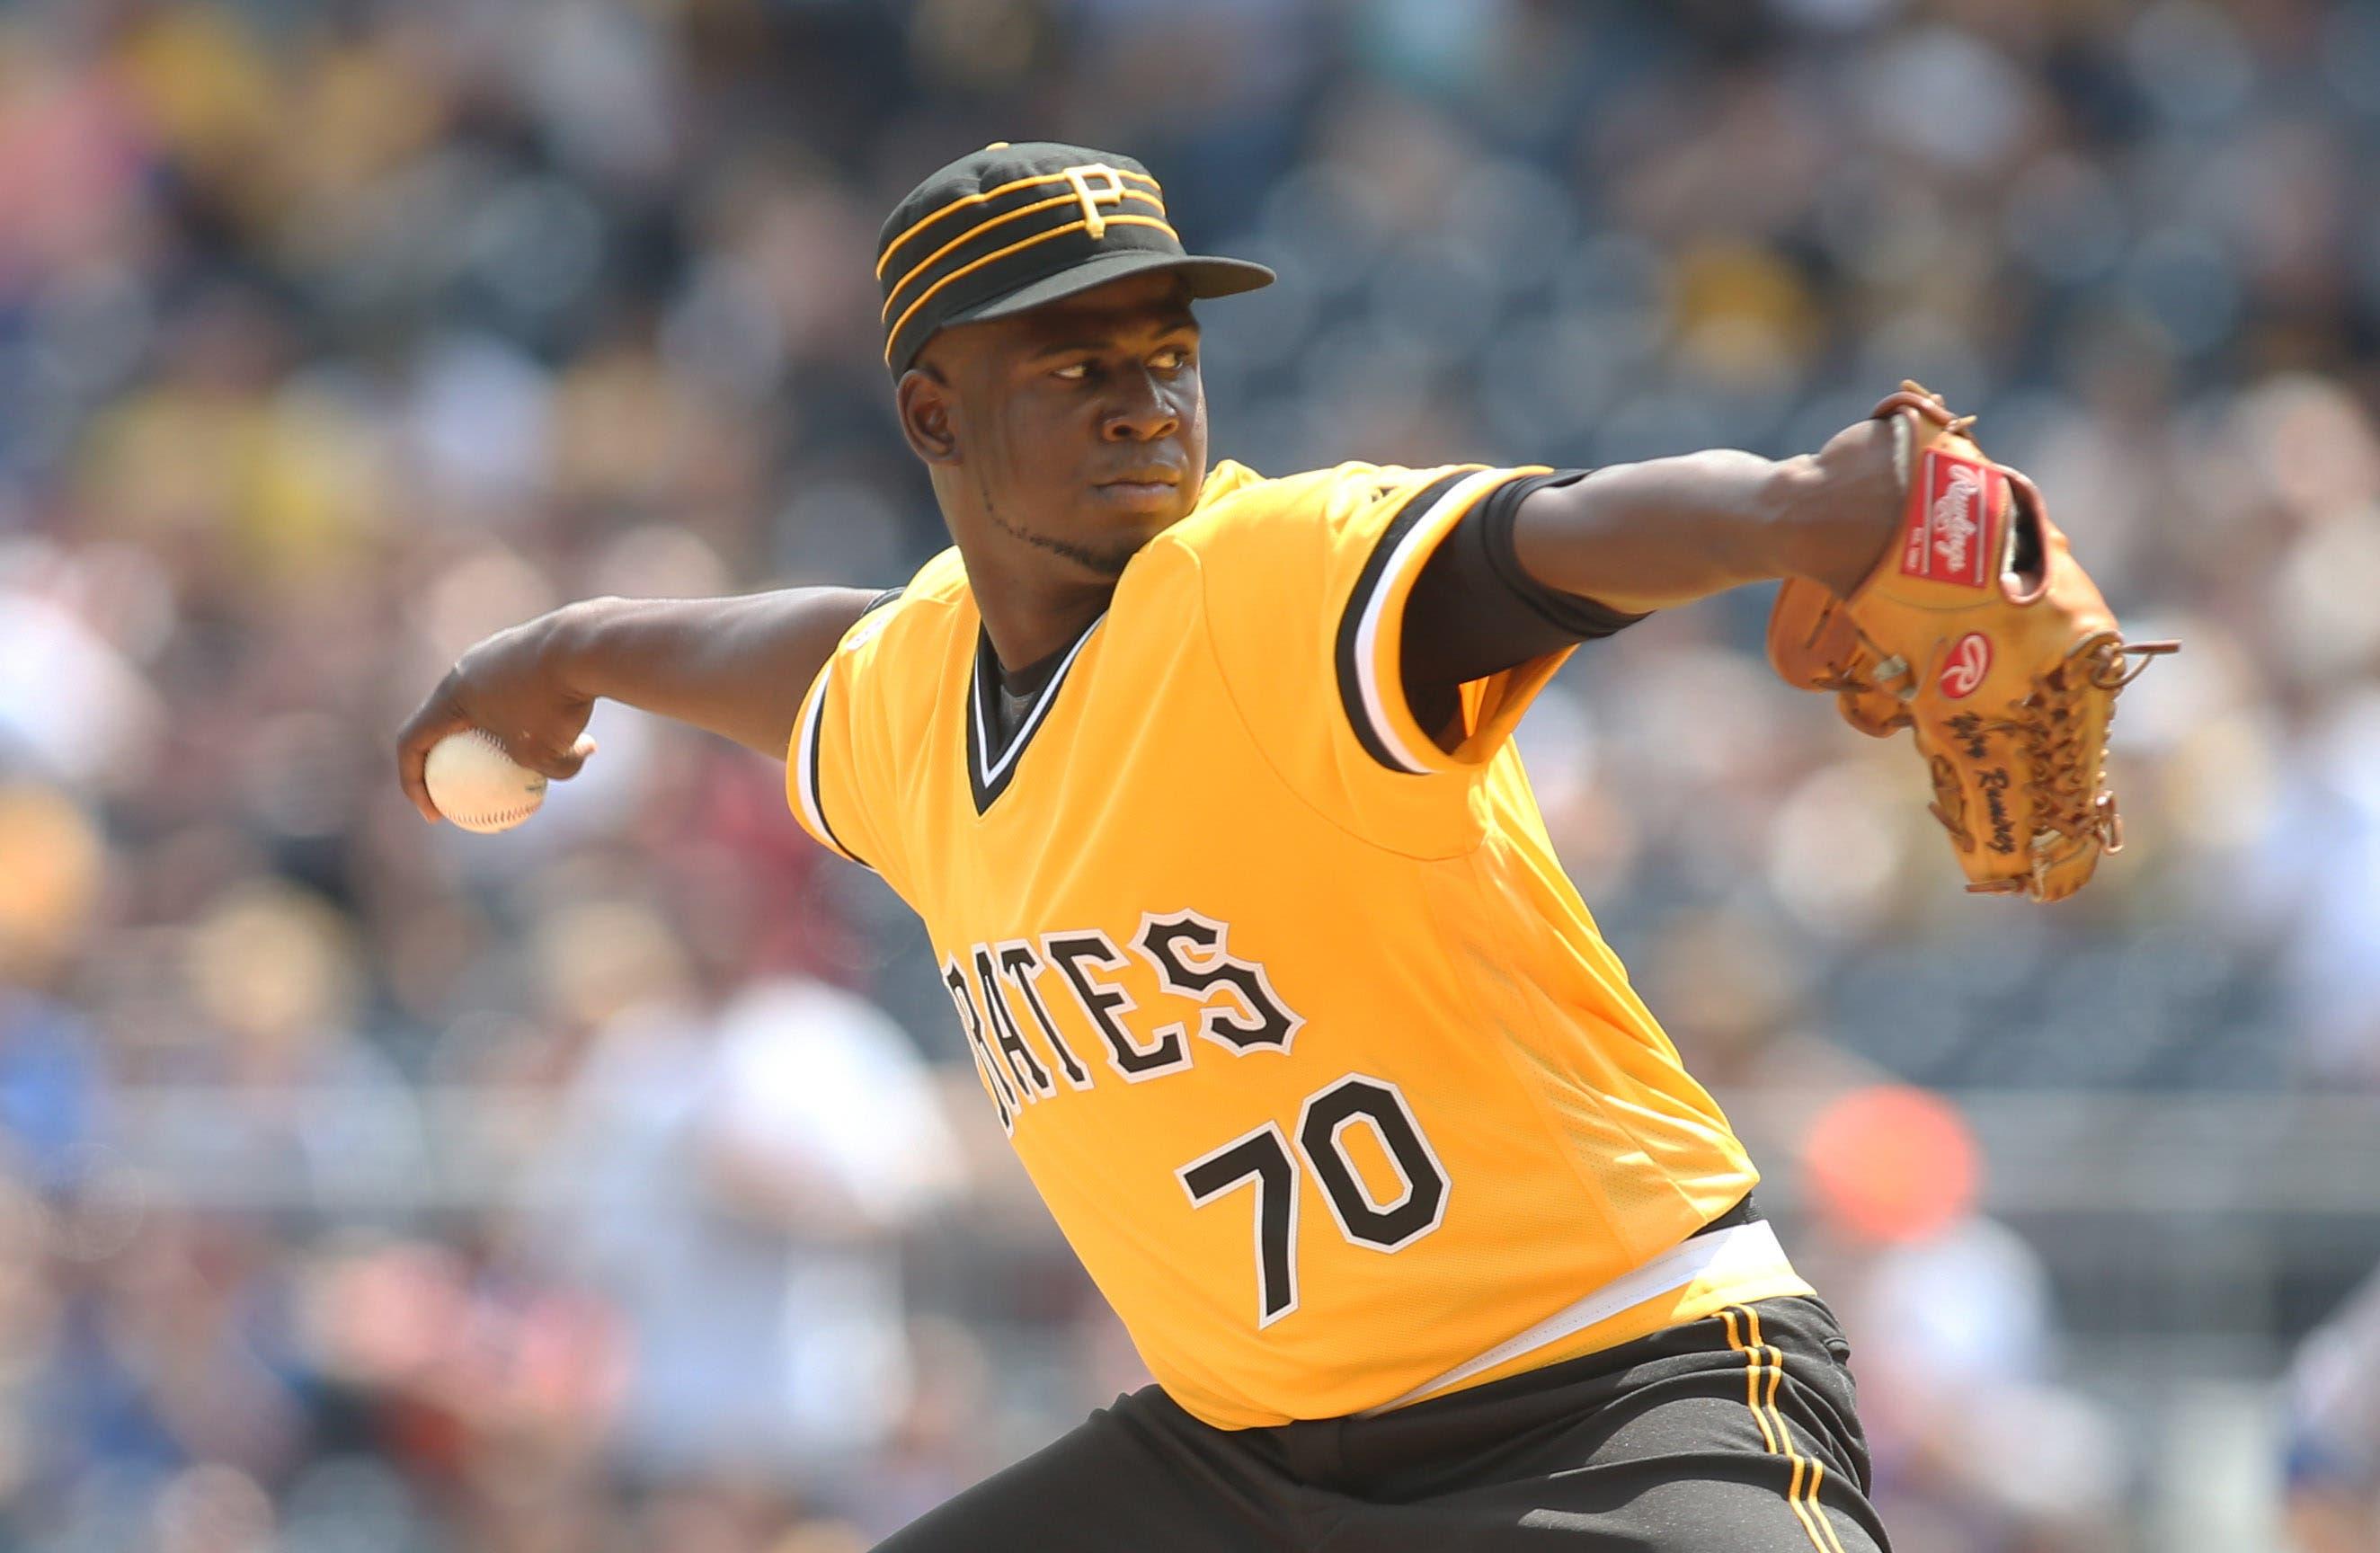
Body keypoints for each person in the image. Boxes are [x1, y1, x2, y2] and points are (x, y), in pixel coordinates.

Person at [398, 141, 1908, 1551]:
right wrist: (569, 648)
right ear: (934, 415)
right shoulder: (914, 698)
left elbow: (1550, 540)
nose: (1145, 404)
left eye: (1170, 360)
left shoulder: (1266, 586)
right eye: (1075, 367)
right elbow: (793, 654)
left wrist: (1795, 511)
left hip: (1618, 1395)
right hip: (1248, 1458)